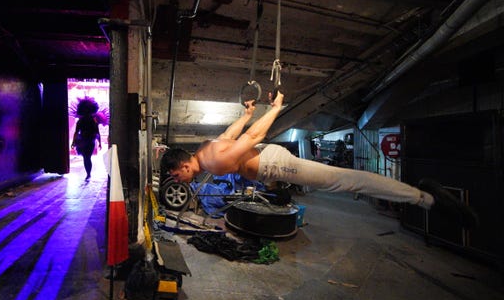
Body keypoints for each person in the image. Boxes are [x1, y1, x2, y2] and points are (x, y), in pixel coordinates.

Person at [161, 92, 479, 229]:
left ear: (182, 166)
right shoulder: (207, 149)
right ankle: (421, 196)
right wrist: (246, 114)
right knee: (342, 180)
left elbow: (252, 138)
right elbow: (232, 133)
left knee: (344, 180)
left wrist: (274, 109)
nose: (179, 182)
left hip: (275, 164)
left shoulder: (213, 161)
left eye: (176, 177)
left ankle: (425, 199)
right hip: (270, 161)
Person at [71, 98, 102, 181]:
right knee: (88, 157)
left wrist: (73, 142)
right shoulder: (93, 121)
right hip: (90, 141)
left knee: (86, 158)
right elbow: (98, 133)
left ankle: (88, 173)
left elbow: (76, 132)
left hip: (83, 141)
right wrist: (100, 143)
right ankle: (88, 173)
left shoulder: (80, 121)